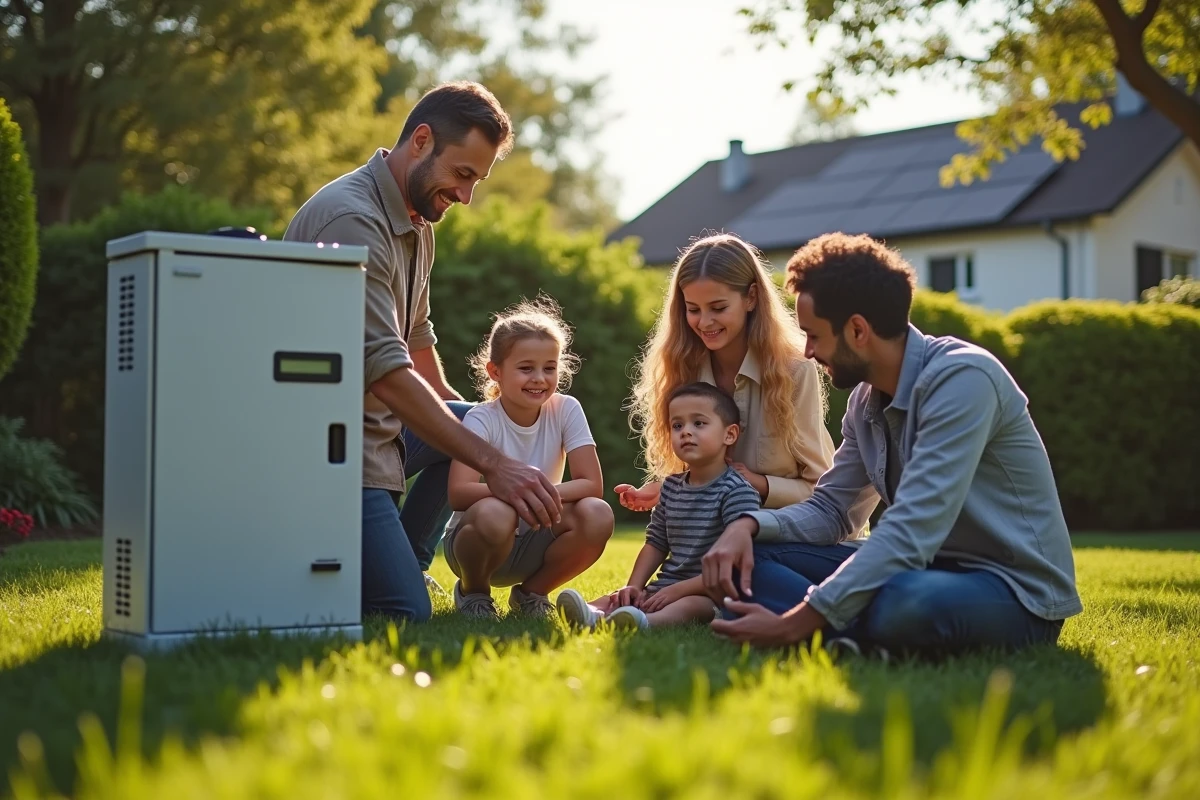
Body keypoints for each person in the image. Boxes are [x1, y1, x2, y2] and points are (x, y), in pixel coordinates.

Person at [703, 232, 1083, 658]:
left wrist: (798, 620)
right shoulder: (865, 401)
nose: (807, 352)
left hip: (1012, 591)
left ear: (858, 330)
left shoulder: (965, 380)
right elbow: (831, 511)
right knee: (750, 559)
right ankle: (858, 640)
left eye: (814, 336)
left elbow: (914, 528)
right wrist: (748, 526)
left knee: (904, 600)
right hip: (916, 569)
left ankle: (824, 632)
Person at [283, 81, 562, 624]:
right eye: (462, 175)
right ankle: (396, 580)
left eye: (476, 181)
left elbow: (416, 338)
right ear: (422, 139)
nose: (466, 196)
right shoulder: (353, 220)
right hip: (329, 450)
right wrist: (495, 463)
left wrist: (488, 429)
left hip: (374, 434)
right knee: (401, 613)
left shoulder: (416, 220)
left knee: (469, 421)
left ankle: (408, 562)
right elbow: (385, 370)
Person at [617, 232, 834, 516]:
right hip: (717, 533)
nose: (705, 322)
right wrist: (665, 488)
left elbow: (823, 489)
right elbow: (698, 477)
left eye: (718, 308)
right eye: (692, 310)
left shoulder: (795, 370)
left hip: (787, 529)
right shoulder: (682, 369)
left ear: (751, 297)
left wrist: (757, 484)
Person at [444, 299, 614, 618]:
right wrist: (516, 492)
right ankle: (474, 593)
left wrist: (538, 494)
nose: (539, 378)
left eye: (549, 368)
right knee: (496, 513)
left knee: (598, 514)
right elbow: (459, 492)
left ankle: (532, 595)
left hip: (538, 531)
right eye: (526, 368)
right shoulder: (482, 418)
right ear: (495, 371)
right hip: (477, 541)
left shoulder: (566, 409)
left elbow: (592, 484)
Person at [558, 383, 761, 631]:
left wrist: (678, 590)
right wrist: (633, 585)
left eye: (699, 423)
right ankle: (594, 614)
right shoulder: (671, 488)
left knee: (689, 607)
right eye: (678, 425)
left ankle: (641, 623)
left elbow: (736, 565)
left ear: (729, 434)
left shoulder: (737, 490)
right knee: (621, 597)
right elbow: (656, 543)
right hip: (667, 585)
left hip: (713, 592)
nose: (686, 432)